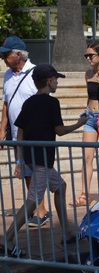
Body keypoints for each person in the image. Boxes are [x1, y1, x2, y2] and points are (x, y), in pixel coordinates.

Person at [1, 64, 88, 258]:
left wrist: (20, 160)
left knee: (61, 186)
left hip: (33, 158)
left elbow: (20, 133)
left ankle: (67, 232)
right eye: (56, 79)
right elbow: (60, 130)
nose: (57, 82)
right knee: (33, 201)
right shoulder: (51, 103)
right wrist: (80, 123)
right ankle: (7, 238)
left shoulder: (29, 102)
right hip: (43, 160)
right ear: (49, 81)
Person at [0, 36, 51, 228]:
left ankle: (42, 210)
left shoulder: (36, 73)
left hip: (34, 133)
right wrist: (2, 130)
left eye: (5, 55)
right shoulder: (7, 75)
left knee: (37, 172)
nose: (3, 58)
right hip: (17, 134)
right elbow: (7, 104)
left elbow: (45, 101)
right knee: (28, 173)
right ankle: (38, 209)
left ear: (18, 55)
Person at [70, 42, 99, 207]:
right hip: (91, 117)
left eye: (91, 55)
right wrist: (86, 113)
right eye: (86, 55)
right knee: (87, 157)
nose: (88, 58)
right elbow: (90, 97)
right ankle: (84, 195)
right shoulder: (87, 74)